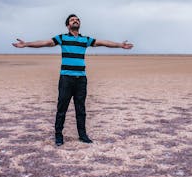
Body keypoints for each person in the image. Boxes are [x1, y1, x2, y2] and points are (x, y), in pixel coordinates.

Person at [12, 14, 133, 146]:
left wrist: (120, 45)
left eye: (77, 19)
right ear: (67, 25)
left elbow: (103, 42)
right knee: (61, 108)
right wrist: (26, 44)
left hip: (81, 79)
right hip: (66, 79)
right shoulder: (62, 38)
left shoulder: (85, 40)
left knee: (80, 108)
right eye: (72, 19)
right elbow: (45, 43)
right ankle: (58, 135)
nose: (75, 20)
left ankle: (82, 135)